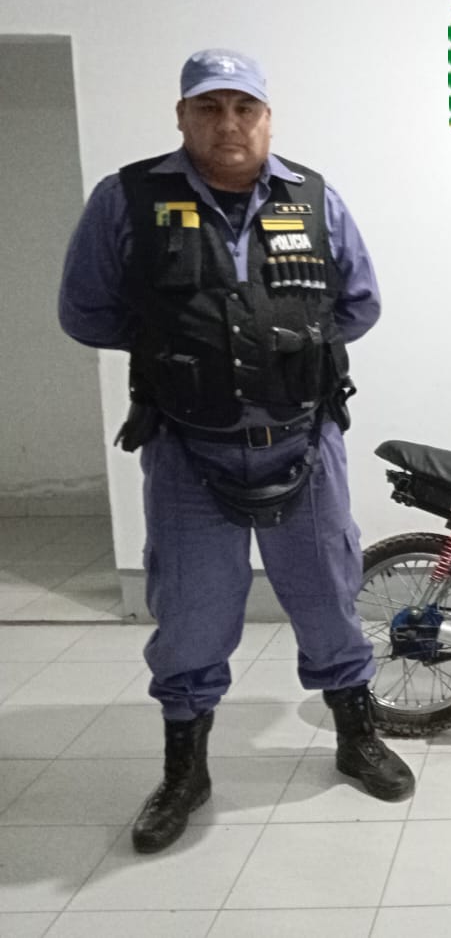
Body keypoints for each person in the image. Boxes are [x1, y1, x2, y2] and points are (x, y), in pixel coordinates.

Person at [59, 49, 413, 853]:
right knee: (189, 612)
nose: (228, 124)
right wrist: (181, 349)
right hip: (188, 448)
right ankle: (185, 770)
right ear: (181, 116)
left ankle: (356, 736)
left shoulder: (313, 198)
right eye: (209, 107)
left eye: (243, 108)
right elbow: (85, 311)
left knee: (329, 596)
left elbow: (358, 304)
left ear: (267, 118)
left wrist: (284, 350)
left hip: (304, 442)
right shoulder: (127, 199)